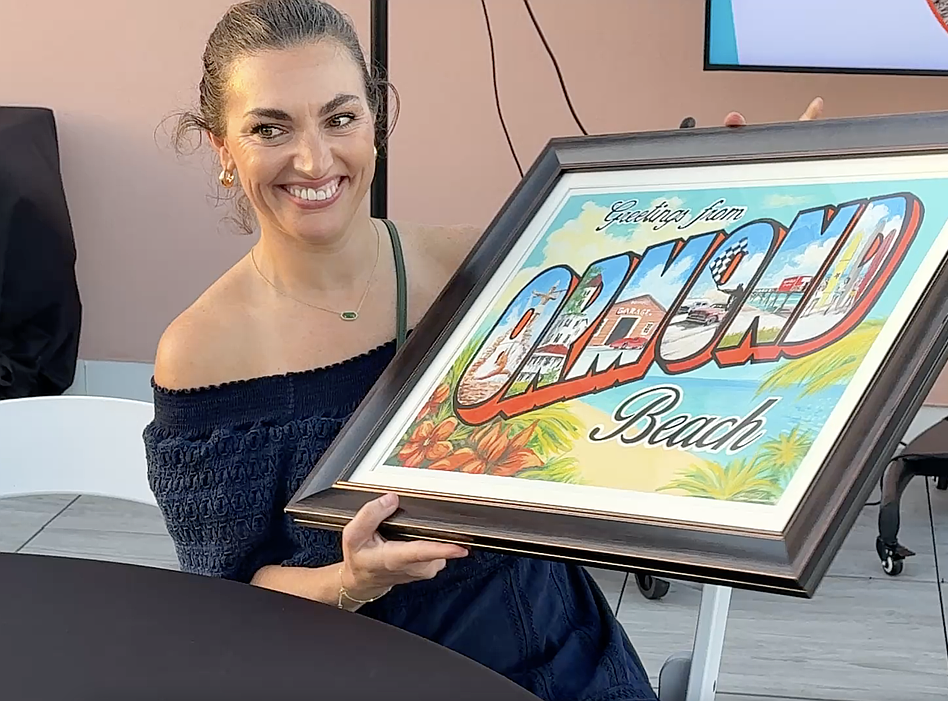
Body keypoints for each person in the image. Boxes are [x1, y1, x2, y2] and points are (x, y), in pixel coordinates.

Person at [143, 1, 824, 699]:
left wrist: (757, 193)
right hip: (358, 672)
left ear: (375, 120)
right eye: (269, 128)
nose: (314, 159)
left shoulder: (479, 265)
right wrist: (350, 581)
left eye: (340, 118)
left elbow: (666, 311)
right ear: (222, 147)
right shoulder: (203, 351)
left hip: (564, 660)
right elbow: (230, 597)